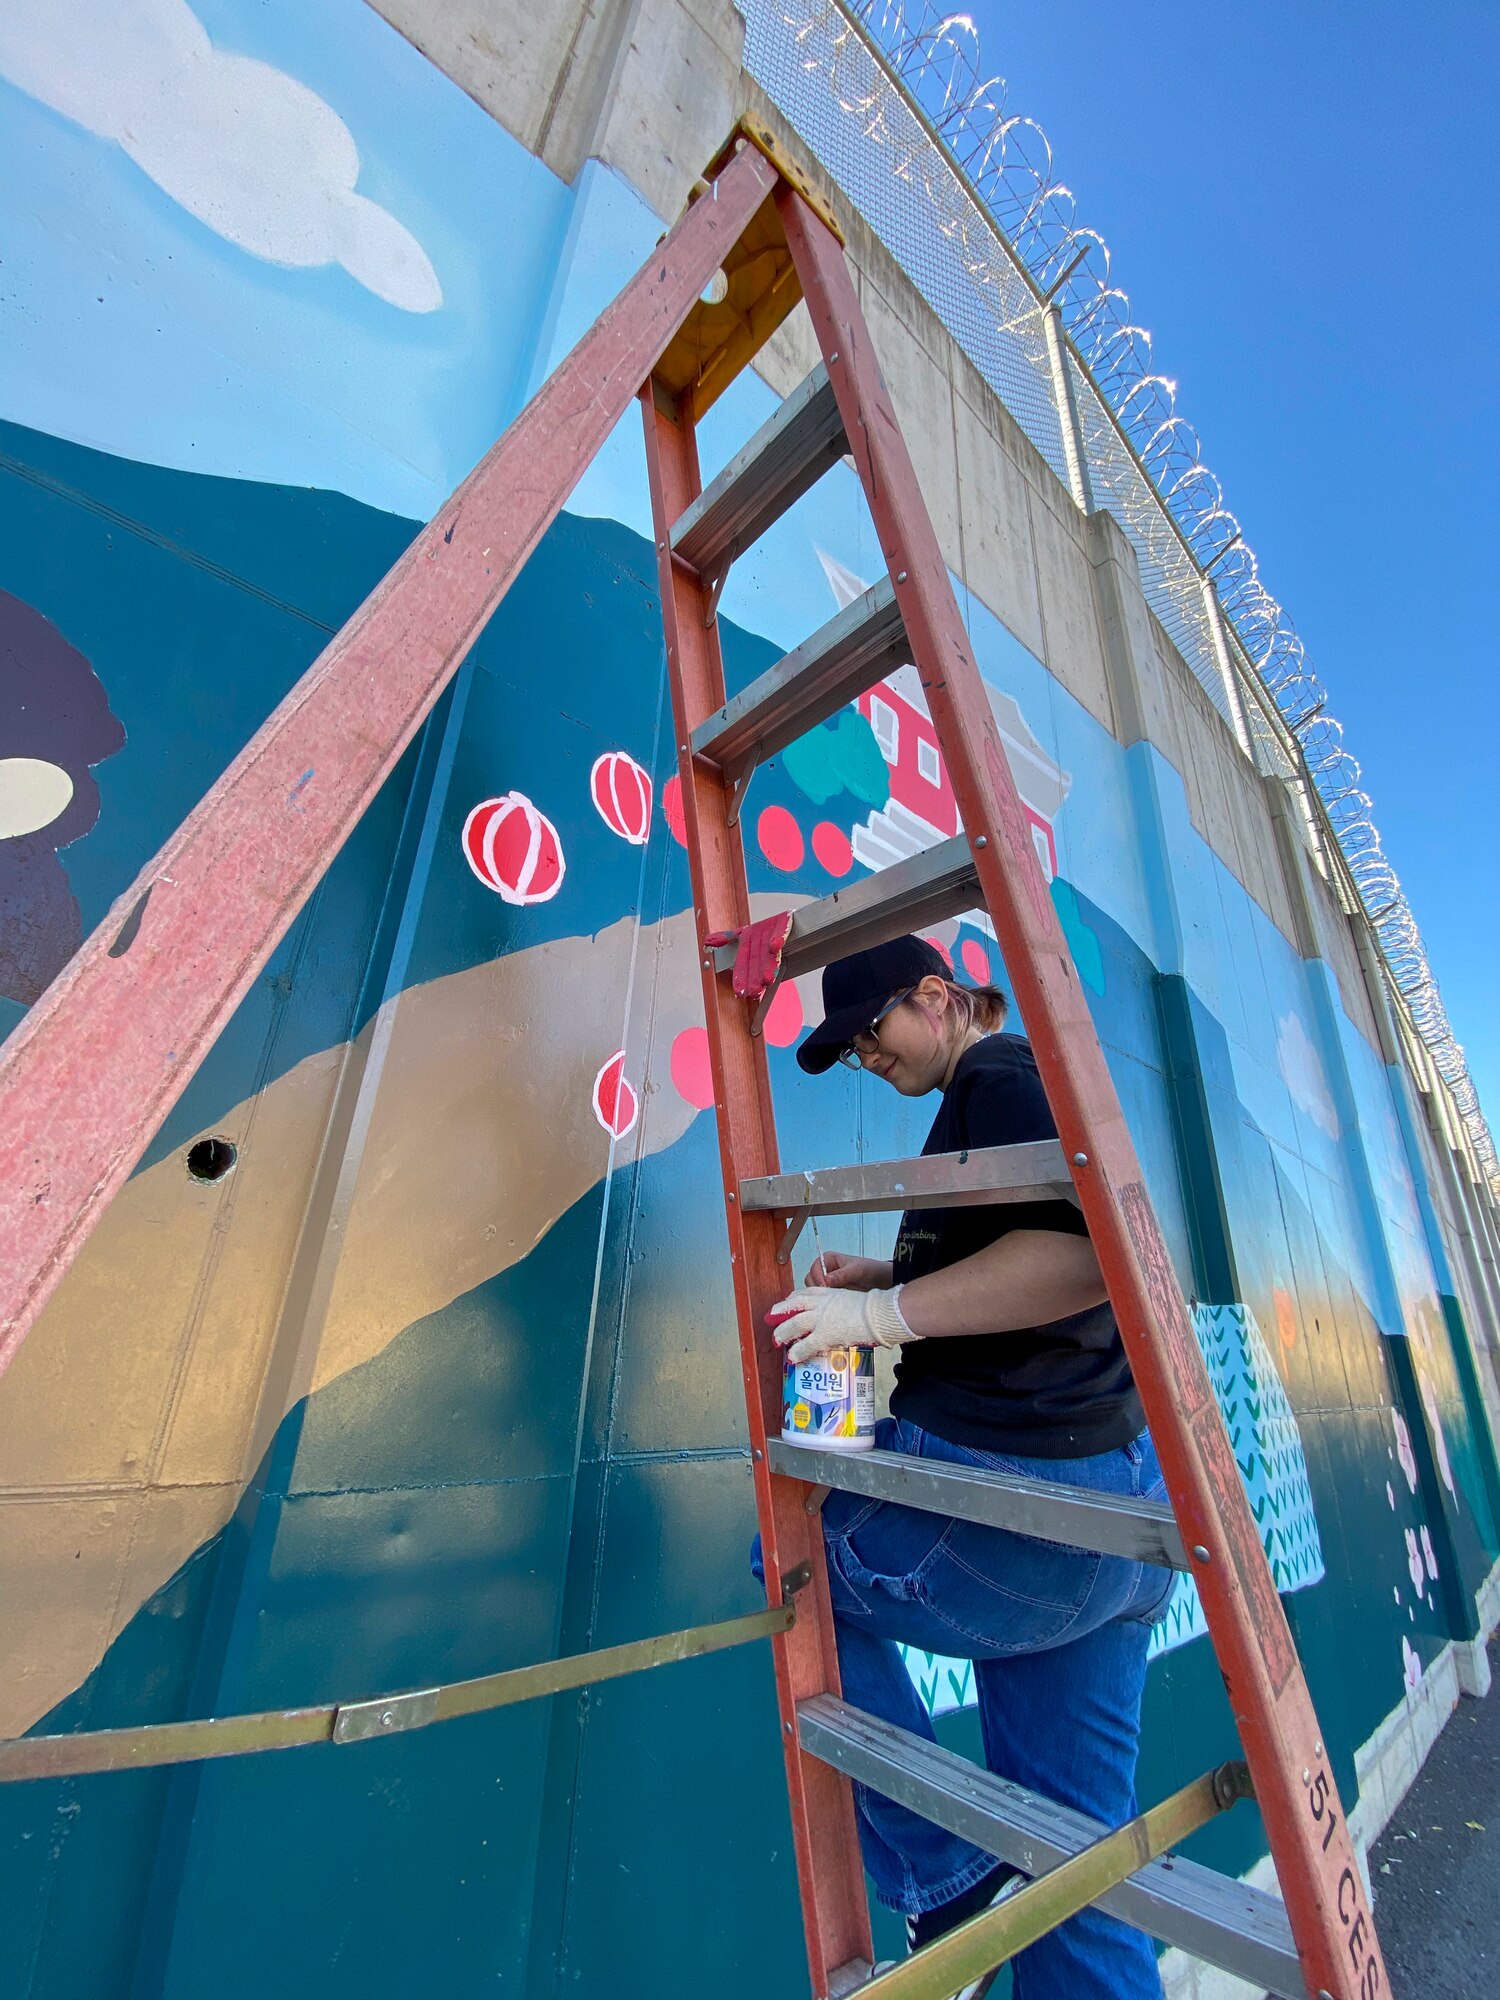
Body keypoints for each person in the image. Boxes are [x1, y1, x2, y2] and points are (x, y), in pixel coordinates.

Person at [770, 935, 1174, 2000]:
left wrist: (876, 1312)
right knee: (1077, 1876)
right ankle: (984, 1881)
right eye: (849, 1050)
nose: (865, 1058)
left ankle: (943, 1871)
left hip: (1021, 1515)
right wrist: (886, 1272)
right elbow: (1014, 1260)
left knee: (784, 1551)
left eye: (871, 1032)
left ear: (938, 996)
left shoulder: (995, 1074)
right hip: (1111, 1523)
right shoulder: (1004, 1092)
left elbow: (1085, 1256)